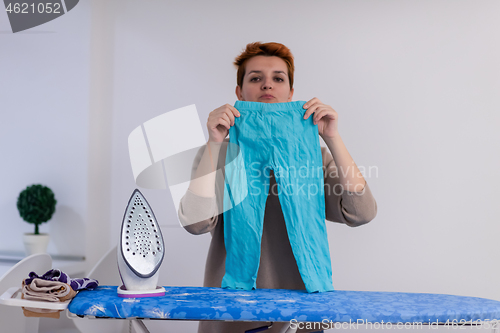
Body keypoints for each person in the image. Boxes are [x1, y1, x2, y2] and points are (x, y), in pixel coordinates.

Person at [177, 42, 378, 333]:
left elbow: (362, 212)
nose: (267, 85)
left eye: (278, 78)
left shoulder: (316, 157)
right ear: (239, 93)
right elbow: (195, 224)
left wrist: (332, 138)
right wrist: (214, 143)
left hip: (302, 316)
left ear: (291, 93)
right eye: (255, 78)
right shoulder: (218, 153)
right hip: (231, 316)